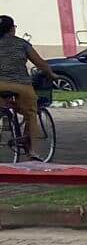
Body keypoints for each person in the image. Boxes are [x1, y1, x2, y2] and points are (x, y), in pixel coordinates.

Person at [0, 16, 56, 159]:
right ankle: (33, 152)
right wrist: (51, 74)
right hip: (21, 85)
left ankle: (6, 117)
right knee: (31, 114)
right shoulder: (22, 44)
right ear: (12, 29)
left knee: (4, 106)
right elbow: (41, 64)